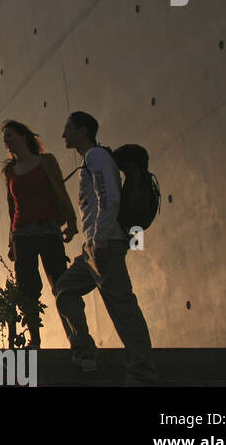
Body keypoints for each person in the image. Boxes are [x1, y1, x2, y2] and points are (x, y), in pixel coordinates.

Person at [56, 111, 159, 383]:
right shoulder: (90, 161)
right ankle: (84, 351)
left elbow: (110, 197)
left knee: (122, 307)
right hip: (92, 247)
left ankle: (142, 374)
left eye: (68, 129)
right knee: (65, 290)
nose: (63, 134)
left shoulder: (96, 157)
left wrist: (99, 239)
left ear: (82, 131)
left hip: (105, 244)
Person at [0, 120, 78, 349]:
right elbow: (11, 208)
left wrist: (71, 221)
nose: (6, 140)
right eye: (4, 137)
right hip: (22, 235)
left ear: (24, 136)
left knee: (61, 284)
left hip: (48, 230)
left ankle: (77, 339)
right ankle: (35, 340)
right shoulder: (9, 170)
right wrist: (10, 242)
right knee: (27, 289)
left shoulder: (46, 161)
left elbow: (60, 191)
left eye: (10, 135)